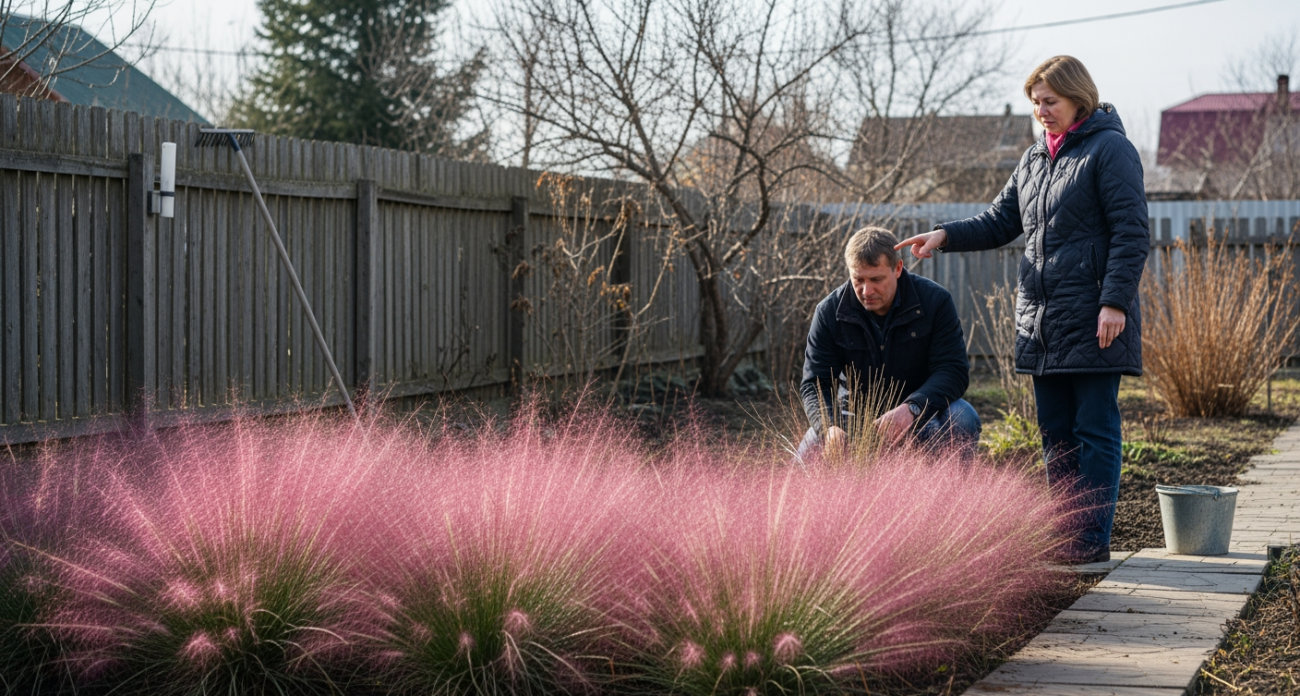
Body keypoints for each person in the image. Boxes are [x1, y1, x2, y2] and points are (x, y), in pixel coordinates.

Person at [895, 56, 1149, 564]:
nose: (1041, 111)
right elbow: (999, 220)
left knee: (1094, 430)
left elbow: (1131, 231)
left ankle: (1091, 541)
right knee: (1054, 432)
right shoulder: (1035, 159)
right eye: (1036, 103)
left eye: (1049, 101)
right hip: (1043, 325)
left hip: (1095, 318)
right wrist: (944, 235)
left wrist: (1115, 302)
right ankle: (1066, 534)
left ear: (1079, 96)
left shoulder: (1110, 150)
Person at [797, 226, 980, 464]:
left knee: (962, 417)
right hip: (854, 422)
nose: (866, 290)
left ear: (897, 268)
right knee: (805, 460)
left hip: (922, 415)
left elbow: (952, 370)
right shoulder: (829, 312)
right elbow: (814, 383)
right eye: (858, 280)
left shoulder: (935, 301)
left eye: (876, 279)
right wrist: (829, 427)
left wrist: (912, 408)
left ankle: (951, 498)